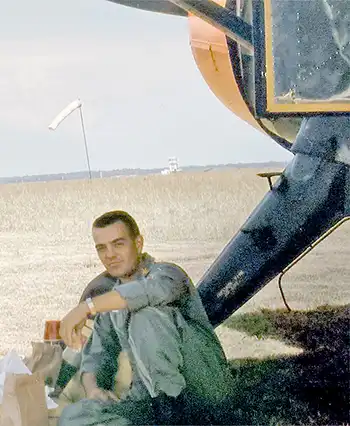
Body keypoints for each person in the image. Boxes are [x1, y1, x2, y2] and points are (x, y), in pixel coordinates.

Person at [58, 210, 234, 425]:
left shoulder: (168, 274)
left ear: (138, 243)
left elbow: (147, 292)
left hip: (203, 389)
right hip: (148, 401)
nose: (110, 254)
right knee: (73, 417)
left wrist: (86, 308)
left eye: (118, 244)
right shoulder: (111, 301)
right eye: (101, 248)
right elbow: (95, 356)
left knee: (145, 317)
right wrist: (93, 388)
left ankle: (176, 414)